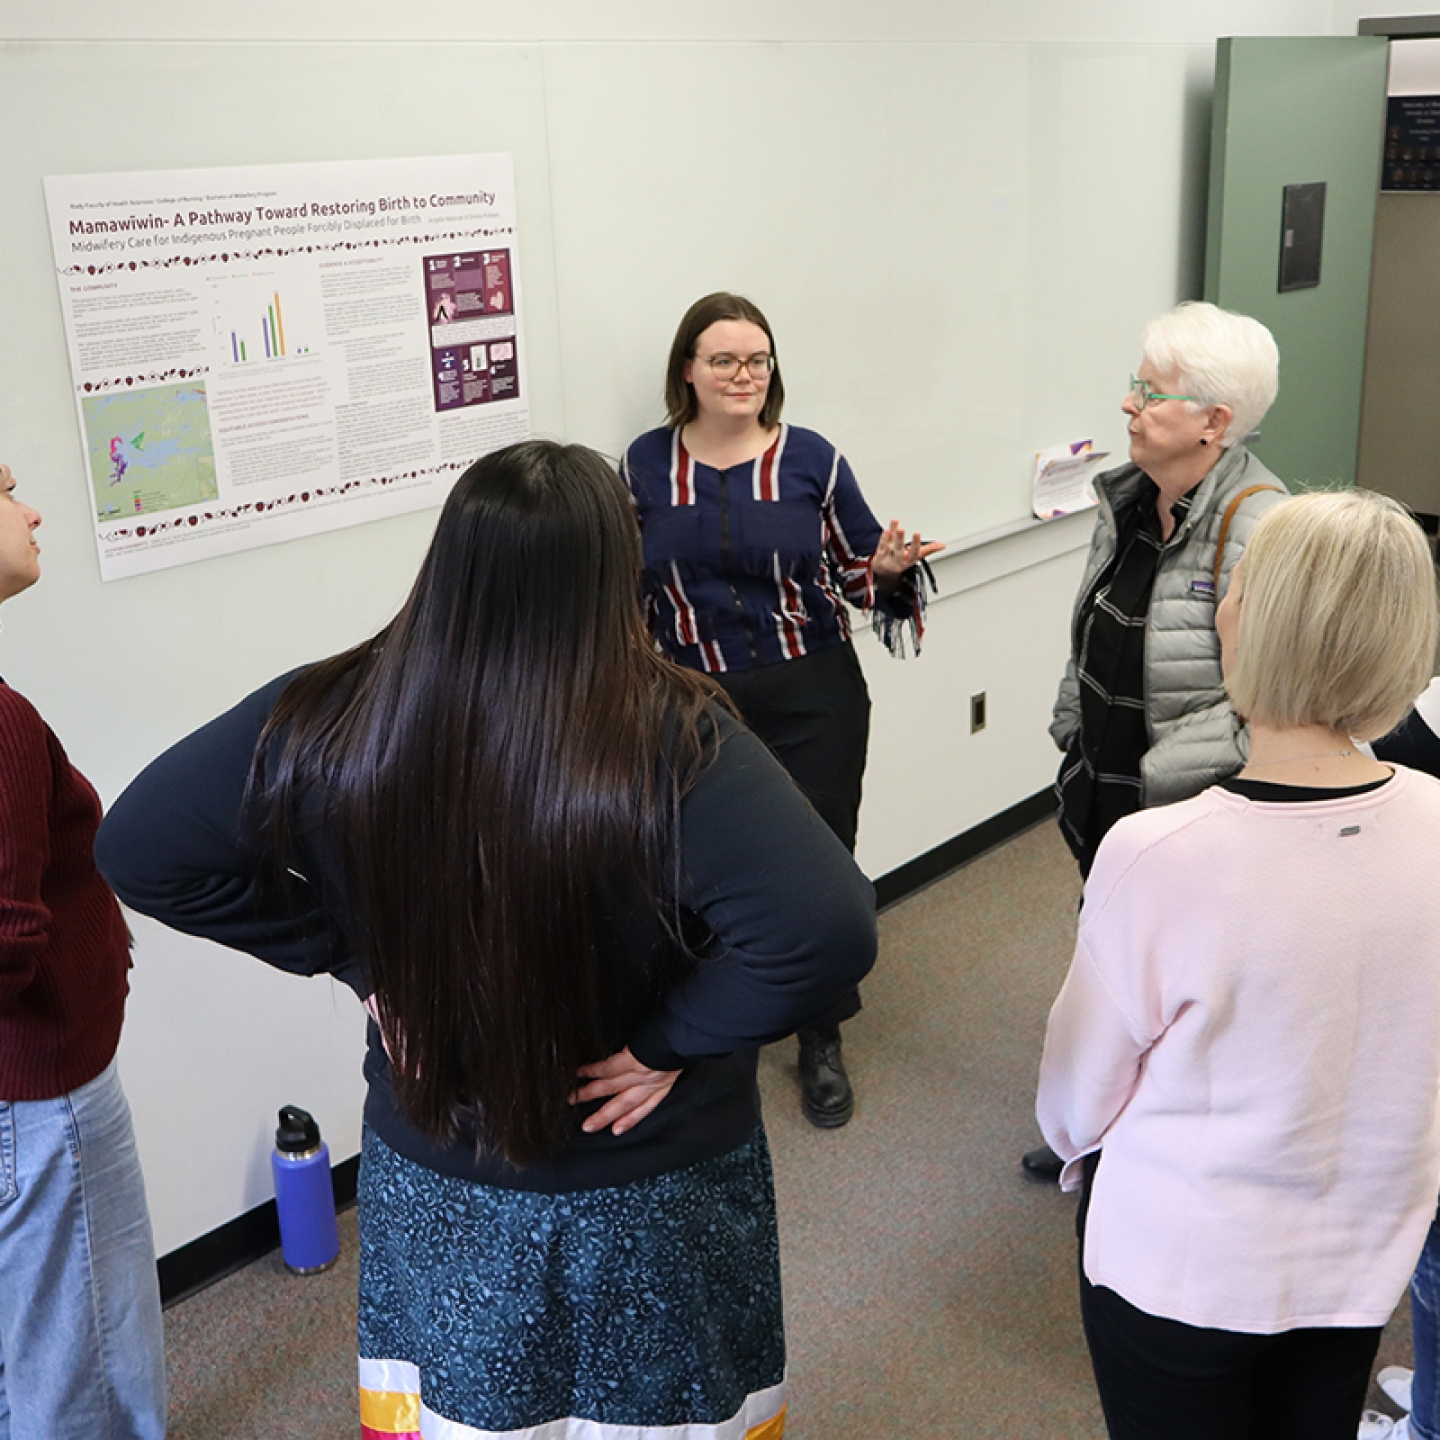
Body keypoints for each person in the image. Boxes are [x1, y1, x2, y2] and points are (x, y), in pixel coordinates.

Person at [95, 440, 877, 1440]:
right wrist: (664, 1043)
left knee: (461, 1416)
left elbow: (140, 848)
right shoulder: (678, 736)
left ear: (449, 561)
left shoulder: (334, 710)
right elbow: (826, 927)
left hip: (443, 1172)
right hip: (646, 1178)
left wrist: (355, 959)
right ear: (614, 570)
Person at [1036, 489, 1440, 1440]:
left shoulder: (1159, 851)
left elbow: (1072, 1106)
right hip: (1359, 1264)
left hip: (1180, 1271)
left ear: (1252, 622)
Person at [620, 291, 942, 1128]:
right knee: (695, 862)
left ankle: (820, 1034)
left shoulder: (814, 461)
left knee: (819, 861)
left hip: (812, 692)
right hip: (692, 698)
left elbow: (860, 578)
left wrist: (895, 568)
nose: (743, 375)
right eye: (723, 359)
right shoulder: (642, 465)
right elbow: (626, 591)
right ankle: (709, 1026)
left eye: (757, 359)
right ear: (686, 370)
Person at [1024, 300, 1287, 1182]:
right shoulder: (1131, 496)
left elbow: (1267, 700)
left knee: (1183, 986)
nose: (1129, 406)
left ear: (1215, 421)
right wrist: (1074, 733)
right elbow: (1095, 627)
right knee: (1111, 963)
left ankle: (1149, 1150)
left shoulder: (1262, 526)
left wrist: (1157, 774)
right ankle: (1096, 1123)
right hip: (1106, 790)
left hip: (1184, 809)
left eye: (1151, 391)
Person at [0, 461, 166, 1440]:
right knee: (87, 1362)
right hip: (39, 1104)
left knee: (34, 1347)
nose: (32, 511)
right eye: (4, 491)